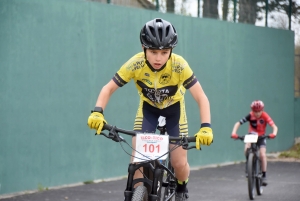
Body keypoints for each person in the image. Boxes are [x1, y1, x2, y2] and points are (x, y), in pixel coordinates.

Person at [87, 18, 213, 201]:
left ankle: (181, 187)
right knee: (138, 163)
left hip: (174, 111)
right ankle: (139, 193)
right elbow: (108, 88)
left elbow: (201, 97)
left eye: (164, 52)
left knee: (178, 162)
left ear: (171, 51)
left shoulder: (179, 65)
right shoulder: (135, 63)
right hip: (148, 110)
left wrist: (206, 126)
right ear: (143, 48)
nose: (158, 58)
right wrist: (98, 112)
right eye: (153, 52)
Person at [231, 100, 278, 186]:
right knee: (246, 148)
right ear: (252, 110)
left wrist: (274, 133)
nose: (257, 113)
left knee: (263, 155)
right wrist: (234, 133)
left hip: (261, 136)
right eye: (255, 111)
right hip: (251, 135)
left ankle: (264, 175)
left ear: (262, 110)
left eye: (259, 111)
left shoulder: (265, 116)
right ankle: (248, 164)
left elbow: (274, 126)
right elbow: (238, 123)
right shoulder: (250, 115)